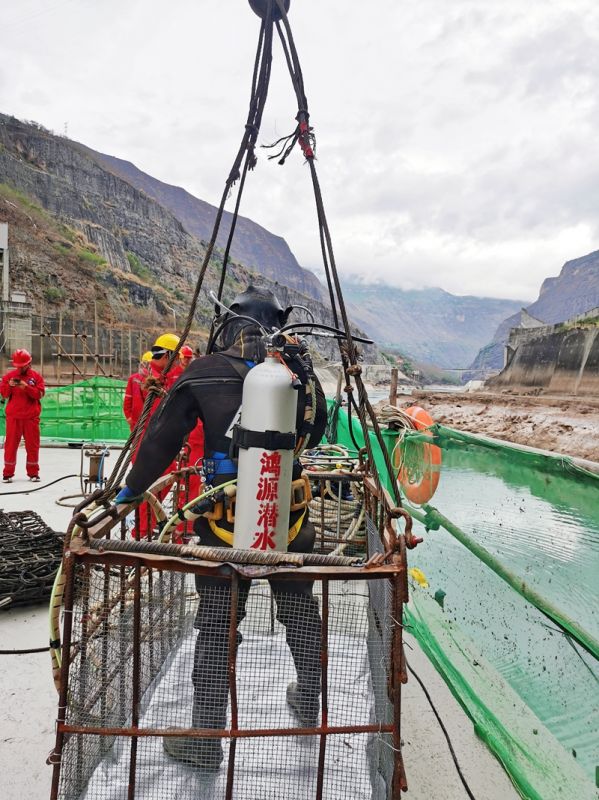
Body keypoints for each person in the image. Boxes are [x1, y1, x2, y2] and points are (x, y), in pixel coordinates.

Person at [116, 286, 327, 771]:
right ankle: (309, 701)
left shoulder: (204, 371)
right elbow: (317, 431)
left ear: (228, 324)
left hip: (224, 525)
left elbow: (161, 439)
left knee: (216, 625)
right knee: (299, 611)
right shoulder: (298, 372)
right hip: (288, 518)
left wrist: (131, 489)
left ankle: (206, 737)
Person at [132, 333, 180, 538]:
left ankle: (146, 526)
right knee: (149, 486)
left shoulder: (160, 375)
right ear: (168, 355)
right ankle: (142, 531)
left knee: (157, 483)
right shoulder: (151, 378)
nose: (178, 362)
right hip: (152, 441)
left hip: (153, 439)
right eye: (176, 357)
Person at [1, 349, 45, 482]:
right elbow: (4, 394)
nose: (20, 369)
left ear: (29, 364)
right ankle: (8, 473)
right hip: (14, 417)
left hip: (31, 418)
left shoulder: (36, 377)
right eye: (18, 366)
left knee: (32, 446)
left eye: (22, 366)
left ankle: (33, 473)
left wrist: (26, 387)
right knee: (10, 446)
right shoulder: (9, 377)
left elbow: (39, 394)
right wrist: (9, 386)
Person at [123, 351, 152, 431]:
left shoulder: (155, 379)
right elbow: (127, 400)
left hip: (146, 420)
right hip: (138, 421)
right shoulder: (133, 379)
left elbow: (127, 400)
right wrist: (129, 417)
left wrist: (129, 417)